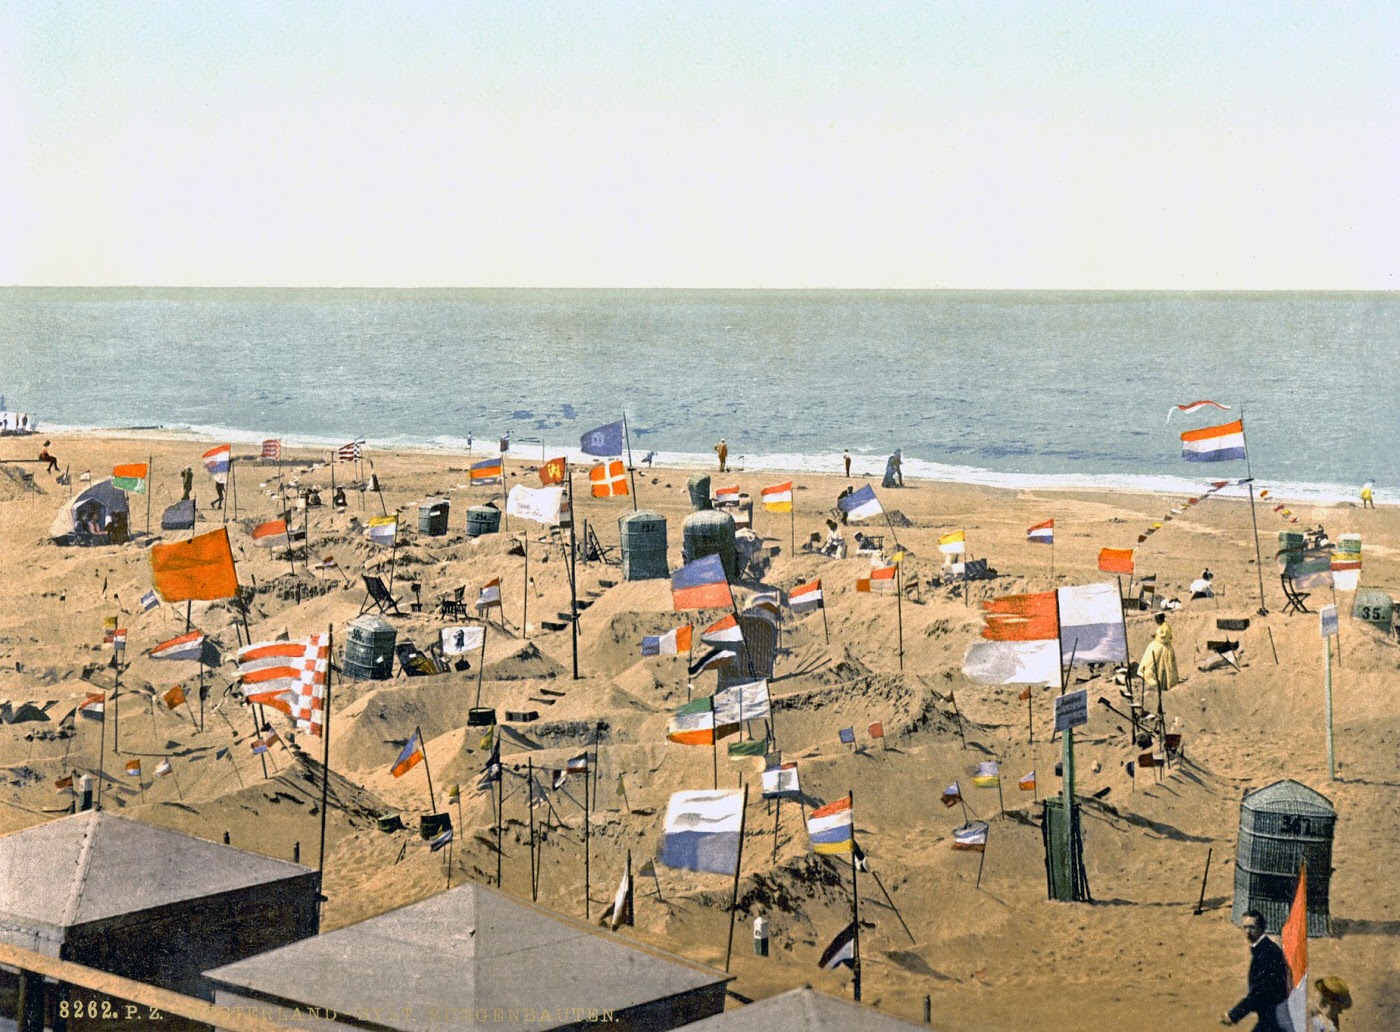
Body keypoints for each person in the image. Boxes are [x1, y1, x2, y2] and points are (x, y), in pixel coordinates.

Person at [1223, 910, 1290, 1029]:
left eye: (1252, 927)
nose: (1248, 932)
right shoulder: (1264, 948)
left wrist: (1235, 1014)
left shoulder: (1267, 953)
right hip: (1269, 1016)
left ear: (1261, 928)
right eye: (1245, 927)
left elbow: (1260, 991)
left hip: (1273, 1016)